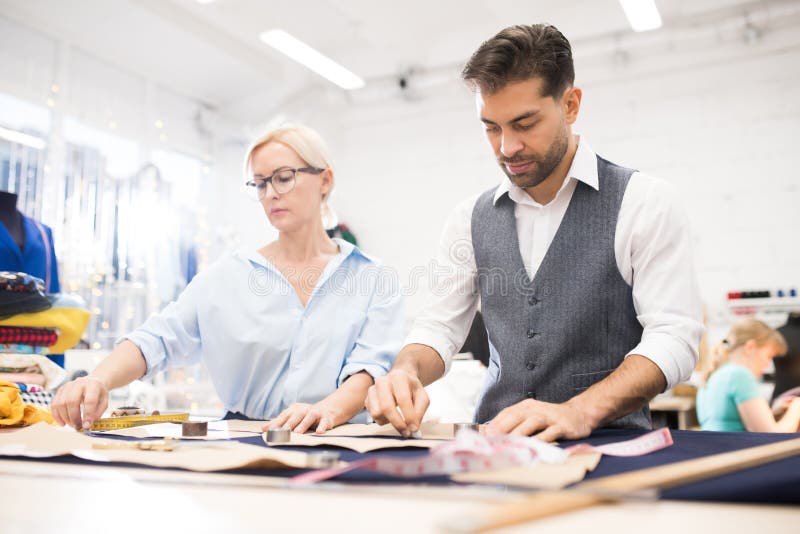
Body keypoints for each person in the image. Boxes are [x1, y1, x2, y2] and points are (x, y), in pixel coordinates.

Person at [365, 24, 703, 441]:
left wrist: (581, 410)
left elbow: (675, 338)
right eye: (491, 127)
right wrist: (406, 371)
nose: (507, 147)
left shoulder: (645, 202)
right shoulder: (468, 218)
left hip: (607, 448)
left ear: (571, 104)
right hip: (495, 447)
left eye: (525, 123)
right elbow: (438, 328)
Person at [52, 124, 403, 432]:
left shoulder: (372, 279)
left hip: (340, 440)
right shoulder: (226, 277)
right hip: (248, 440)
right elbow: (158, 338)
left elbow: (369, 371)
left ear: (325, 180)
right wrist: (98, 379)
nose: (271, 194)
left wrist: (326, 411)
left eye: (283, 178)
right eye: (261, 183)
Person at [697, 318, 800, 432]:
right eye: (769, 356)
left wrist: (771, 413)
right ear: (750, 347)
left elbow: (729, 423)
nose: (767, 364)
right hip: (736, 449)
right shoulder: (740, 375)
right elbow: (771, 436)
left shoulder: (716, 374)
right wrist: (796, 409)